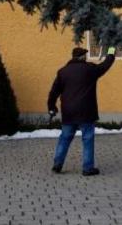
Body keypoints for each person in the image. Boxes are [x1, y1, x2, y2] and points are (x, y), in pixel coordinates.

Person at [47, 46, 116, 176]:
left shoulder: (63, 72)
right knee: (87, 139)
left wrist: (51, 106)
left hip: (68, 112)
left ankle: (57, 164)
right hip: (86, 111)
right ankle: (87, 168)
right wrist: (111, 51)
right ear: (83, 57)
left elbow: (54, 92)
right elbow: (105, 65)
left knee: (65, 138)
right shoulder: (90, 69)